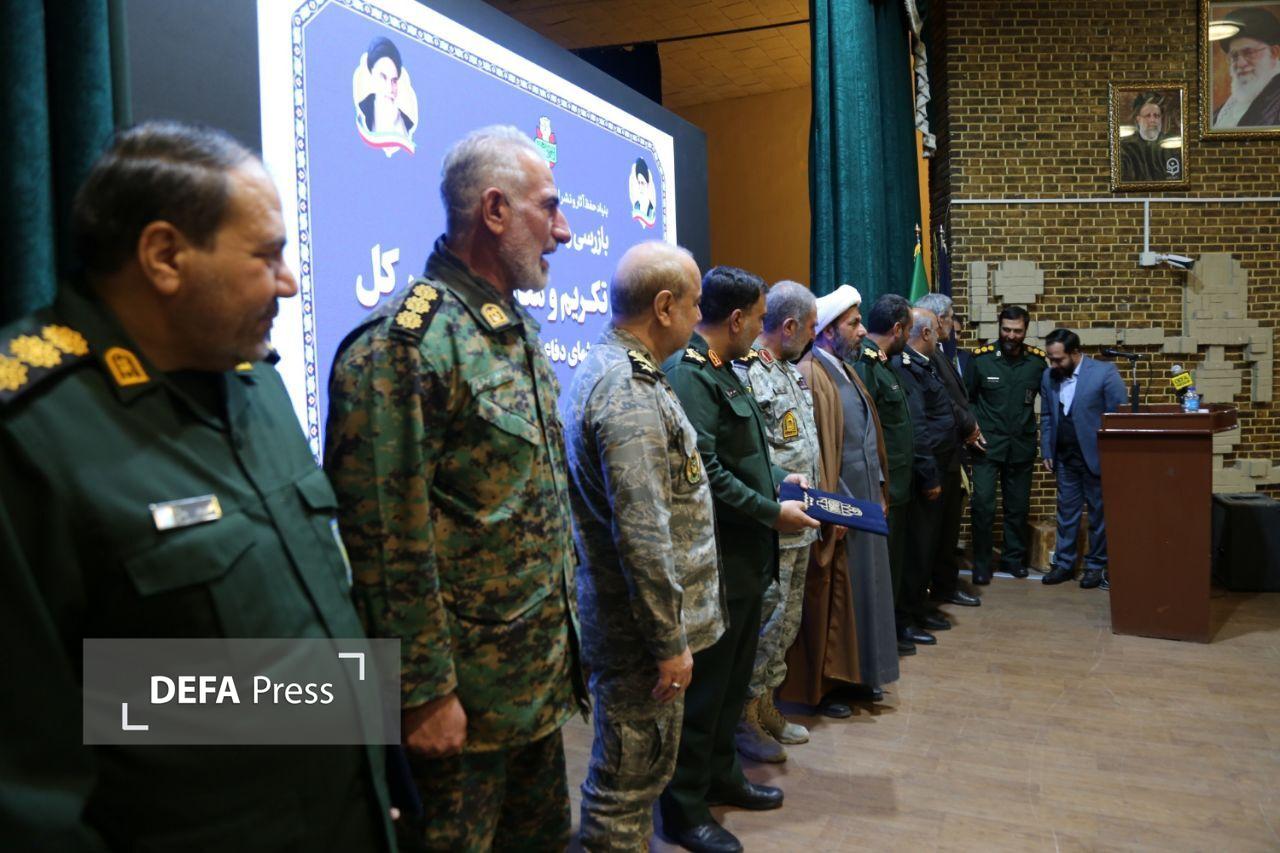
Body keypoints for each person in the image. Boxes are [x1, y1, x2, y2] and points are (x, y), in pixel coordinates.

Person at [0, 121, 393, 851]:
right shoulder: (28, 435)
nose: (289, 281)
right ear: (165, 256)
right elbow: (28, 791)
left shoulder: (255, 384)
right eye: (267, 255)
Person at [325, 125, 586, 852]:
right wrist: (421, 692)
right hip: (457, 711)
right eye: (550, 207)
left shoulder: (514, 331)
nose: (564, 231)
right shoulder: (404, 345)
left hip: (532, 692)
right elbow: (386, 538)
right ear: (495, 211)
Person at [562, 241, 725, 851]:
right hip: (637, 638)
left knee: (635, 775)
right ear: (663, 307)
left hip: (635, 628)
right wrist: (668, 642)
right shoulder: (626, 390)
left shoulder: (627, 373)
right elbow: (643, 533)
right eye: (694, 303)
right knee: (625, 787)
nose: (699, 316)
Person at [659, 266, 818, 853]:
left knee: (731, 685)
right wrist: (771, 511)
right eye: (756, 317)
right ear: (735, 319)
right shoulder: (690, 375)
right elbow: (705, 471)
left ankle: (723, 776)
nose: (761, 325)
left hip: (747, 557)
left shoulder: (726, 369)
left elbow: (745, 456)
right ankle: (684, 808)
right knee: (706, 692)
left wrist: (781, 479)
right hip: (718, 560)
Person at [780, 285, 900, 718]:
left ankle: (859, 675)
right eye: (854, 324)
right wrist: (837, 505)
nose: (863, 331)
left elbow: (867, 437)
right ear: (829, 331)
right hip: (839, 508)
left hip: (863, 504)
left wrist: (879, 487)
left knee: (865, 593)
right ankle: (826, 688)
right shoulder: (811, 374)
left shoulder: (846, 371)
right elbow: (813, 453)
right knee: (833, 599)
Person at [731, 281, 820, 763]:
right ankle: (745, 719)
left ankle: (767, 706)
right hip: (773, 526)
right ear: (788, 326)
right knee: (767, 625)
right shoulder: (747, 373)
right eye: (810, 328)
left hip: (800, 520)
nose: (813, 336)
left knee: (786, 624)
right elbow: (751, 455)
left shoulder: (787, 370)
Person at [854, 293, 932, 653]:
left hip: (899, 483)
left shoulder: (883, 364)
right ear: (898, 329)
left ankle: (895, 627)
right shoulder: (867, 365)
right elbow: (864, 432)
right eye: (909, 329)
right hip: (885, 487)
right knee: (885, 564)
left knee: (897, 561)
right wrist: (879, 487)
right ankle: (886, 634)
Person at [964, 305, 1048, 585]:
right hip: (987, 447)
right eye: (1006, 330)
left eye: (1017, 331)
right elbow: (968, 399)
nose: (1011, 336)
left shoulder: (1037, 362)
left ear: (1026, 330)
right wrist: (972, 430)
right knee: (983, 506)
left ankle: (1014, 560)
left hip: (1021, 446)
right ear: (999, 328)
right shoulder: (981, 360)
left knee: (1017, 507)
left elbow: (1047, 402)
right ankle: (982, 564)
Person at [1039, 329, 1128, 590]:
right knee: (1066, 514)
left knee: (1099, 515)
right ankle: (1064, 564)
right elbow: (1047, 416)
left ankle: (1095, 566)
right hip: (1065, 458)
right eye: (1050, 359)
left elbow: (1119, 416)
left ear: (1075, 353)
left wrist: (1114, 457)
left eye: (1058, 359)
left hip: (1096, 458)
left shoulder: (1104, 373)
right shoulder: (1048, 376)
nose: (1053, 365)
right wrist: (1047, 450)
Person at [913, 293, 983, 608]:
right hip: (937, 452)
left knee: (948, 527)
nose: (954, 324)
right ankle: (935, 590)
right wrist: (968, 425)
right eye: (951, 317)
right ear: (938, 320)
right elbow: (942, 401)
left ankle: (946, 585)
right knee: (933, 531)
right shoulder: (924, 355)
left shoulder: (939, 351)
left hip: (951, 451)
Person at [892, 308, 955, 637]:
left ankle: (918, 606)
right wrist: (929, 474)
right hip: (923, 471)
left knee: (927, 546)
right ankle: (905, 617)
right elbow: (917, 427)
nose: (943, 331)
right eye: (938, 327)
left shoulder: (923, 364)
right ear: (927, 333)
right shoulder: (904, 368)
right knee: (916, 549)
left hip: (939, 464)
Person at [1212, 7, 1280, 129]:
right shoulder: (1231, 105)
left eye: (1249, 53)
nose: (1240, 63)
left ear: (1274, 52)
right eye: (1234, 56)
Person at [1119, 92, 1183, 182]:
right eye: (1147, 116)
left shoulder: (1173, 145)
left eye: (1156, 116)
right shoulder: (1126, 148)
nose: (1152, 120)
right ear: (1138, 120)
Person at [358, 36, 415, 137]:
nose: (390, 88)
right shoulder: (362, 111)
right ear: (372, 75)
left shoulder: (406, 124)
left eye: (394, 81)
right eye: (383, 77)